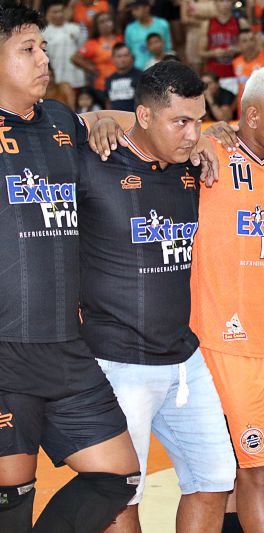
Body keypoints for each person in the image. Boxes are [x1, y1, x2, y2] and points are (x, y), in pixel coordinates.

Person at [78, 60, 236, 533]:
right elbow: (52, 119)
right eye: (180, 122)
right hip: (120, 363)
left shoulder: (189, 166)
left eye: (198, 121)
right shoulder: (94, 159)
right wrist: (101, 116)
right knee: (120, 495)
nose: (191, 134)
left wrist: (204, 139)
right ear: (144, 117)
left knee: (214, 479)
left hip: (186, 359)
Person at [0, 5, 140, 532]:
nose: (44, 59)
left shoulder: (61, 120)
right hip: (5, 350)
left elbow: (137, 122)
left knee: (118, 478)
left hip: (66, 346)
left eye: (42, 46)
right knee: (11, 499)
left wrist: (106, 117)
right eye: (27, 49)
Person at [191, 65, 264, 533]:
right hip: (220, 343)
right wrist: (202, 134)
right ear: (254, 115)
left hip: (263, 342)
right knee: (245, 474)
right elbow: (138, 122)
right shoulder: (209, 151)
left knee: (242, 473)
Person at [43, 0, 86, 109]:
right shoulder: (43, 34)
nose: (59, 14)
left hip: (77, 78)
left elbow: (84, 51)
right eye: (55, 12)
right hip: (56, 80)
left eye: (61, 11)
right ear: (47, 14)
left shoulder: (76, 29)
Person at [72, 11, 121, 93]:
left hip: (122, 83)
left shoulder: (120, 39)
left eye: (108, 20)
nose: (106, 23)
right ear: (97, 26)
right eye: (102, 22)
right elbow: (75, 58)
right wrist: (91, 68)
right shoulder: (93, 43)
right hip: (103, 85)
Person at [199, 0, 242, 86]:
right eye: (221, 1)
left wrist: (236, 50)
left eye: (228, 1)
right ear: (215, 3)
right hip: (214, 75)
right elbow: (200, 52)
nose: (225, 4)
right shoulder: (207, 24)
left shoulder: (240, 22)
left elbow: (249, 48)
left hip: (235, 72)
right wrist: (214, 53)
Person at [124, 0, 171, 70]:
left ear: (147, 8)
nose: (133, 12)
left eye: (136, 8)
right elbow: (129, 52)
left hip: (162, 70)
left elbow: (168, 47)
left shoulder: (162, 24)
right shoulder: (130, 29)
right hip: (139, 71)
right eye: (132, 9)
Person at [105, 43, 141, 112]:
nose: (123, 59)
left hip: (134, 118)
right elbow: (108, 102)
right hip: (115, 119)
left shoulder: (141, 76)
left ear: (131, 57)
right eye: (119, 56)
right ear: (112, 59)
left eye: (126, 55)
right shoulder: (109, 80)